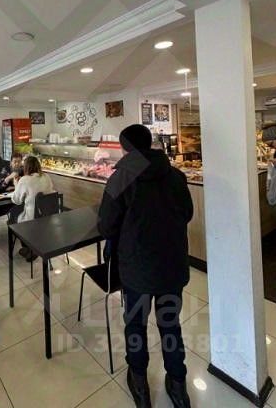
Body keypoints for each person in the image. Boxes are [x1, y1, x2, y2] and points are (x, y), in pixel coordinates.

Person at [98, 124, 193, 408]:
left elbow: (106, 225)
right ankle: (178, 386)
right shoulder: (175, 176)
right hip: (172, 264)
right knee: (170, 325)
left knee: (136, 325)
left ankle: (139, 383)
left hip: (137, 268)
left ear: (125, 148)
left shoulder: (121, 179)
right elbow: (187, 213)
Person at [11, 155, 54, 262]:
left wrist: (16, 185)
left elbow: (16, 200)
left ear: (26, 167)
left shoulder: (25, 180)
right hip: (47, 218)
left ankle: (28, 246)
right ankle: (33, 246)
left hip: (32, 220)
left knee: (12, 218)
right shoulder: (46, 177)